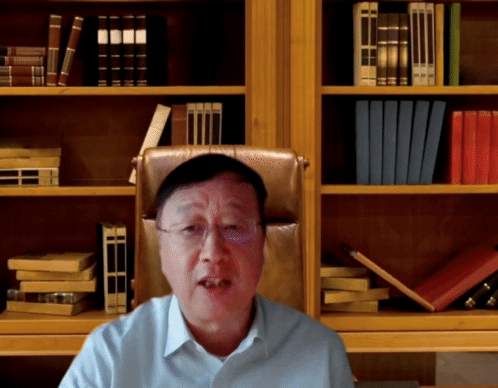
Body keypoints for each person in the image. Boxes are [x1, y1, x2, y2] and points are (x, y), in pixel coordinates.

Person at [59, 154, 354, 387]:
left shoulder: (322, 355)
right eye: (190, 228)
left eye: (233, 227)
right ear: (161, 247)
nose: (213, 253)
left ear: (263, 243)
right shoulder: (109, 357)